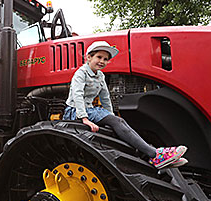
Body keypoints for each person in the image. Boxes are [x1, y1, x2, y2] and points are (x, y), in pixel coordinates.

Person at [63, 41, 188, 169]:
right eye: (99, 57)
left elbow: (105, 97)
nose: (102, 61)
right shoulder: (81, 73)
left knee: (119, 122)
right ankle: (154, 154)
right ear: (89, 57)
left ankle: (151, 155)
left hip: (89, 109)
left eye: (105, 59)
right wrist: (84, 118)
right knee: (117, 122)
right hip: (76, 111)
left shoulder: (100, 75)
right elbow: (77, 94)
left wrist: (110, 116)